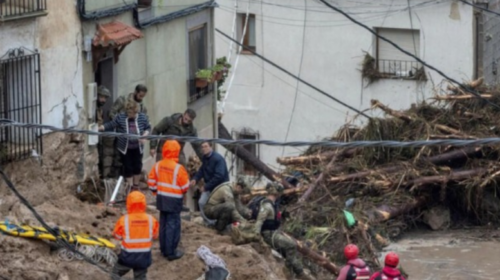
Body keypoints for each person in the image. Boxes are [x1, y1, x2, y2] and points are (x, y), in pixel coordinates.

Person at [251, 182, 314, 280]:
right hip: (268, 235)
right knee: (291, 245)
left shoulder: (272, 204)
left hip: (273, 232)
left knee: (291, 245)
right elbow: (259, 222)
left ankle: (293, 270)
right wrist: (256, 237)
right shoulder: (267, 206)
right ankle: (294, 272)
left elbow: (273, 220)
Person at [147, 140, 190, 261]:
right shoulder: (178, 168)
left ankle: (163, 249)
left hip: (161, 198)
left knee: (164, 223)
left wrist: (156, 192)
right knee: (173, 224)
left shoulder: (158, 165)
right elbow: (185, 186)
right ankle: (171, 252)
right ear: (177, 151)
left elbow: (151, 182)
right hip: (174, 200)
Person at [100, 101, 151, 190]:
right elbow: (112, 124)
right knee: (128, 167)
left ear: (136, 112)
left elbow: (148, 127)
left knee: (137, 166)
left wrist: (144, 135)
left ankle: (136, 186)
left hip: (138, 147)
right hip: (125, 148)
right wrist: (102, 127)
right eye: (128, 112)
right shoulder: (121, 117)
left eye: (131, 113)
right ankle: (129, 187)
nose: (129, 115)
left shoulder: (142, 117)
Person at [111, 191, 159, 280]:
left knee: (115, 274)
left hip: (127, 257)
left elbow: (117, 236)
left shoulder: (123, 220)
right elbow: (155, 236)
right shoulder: (151, 219)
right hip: (144, 257)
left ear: (128, 204)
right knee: (140, 277)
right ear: (144, 203)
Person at [190, 141, 229, 226]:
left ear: (211, 147)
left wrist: (206, 186)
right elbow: (202, 170)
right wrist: (195, 179)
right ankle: (209, 223)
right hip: (210, 187)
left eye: (206, 146)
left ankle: (221, 224)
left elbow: (219, 176)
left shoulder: (218, 159)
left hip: (220, 187)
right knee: (201, 202)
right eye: (202, 147)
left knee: (219, 206)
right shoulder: (205, 158)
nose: (204, 149)